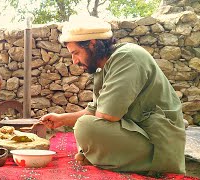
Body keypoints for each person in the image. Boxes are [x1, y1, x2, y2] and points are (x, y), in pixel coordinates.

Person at [40, 15, 186, 175]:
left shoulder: (127, 57)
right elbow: (95, 110)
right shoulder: (105, 66)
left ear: (92, 44)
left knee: (85, 127)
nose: (74, 61)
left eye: (76, 53)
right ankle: (103, 157)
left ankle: (152, 165)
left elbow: (106, 115)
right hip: (137, 131)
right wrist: (61, 120)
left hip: (158, 141)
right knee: (85, 128)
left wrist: (89, 131)